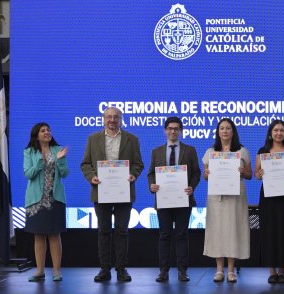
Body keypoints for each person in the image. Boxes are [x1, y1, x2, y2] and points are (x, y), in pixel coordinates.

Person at [81, 106, 144, 283]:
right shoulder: (93, 139)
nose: (112, 120)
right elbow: (85, 164)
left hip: (124, 191)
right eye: (108, 116)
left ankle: (121, 269)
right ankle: (104, 268)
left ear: (121, 119)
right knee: (104, 231)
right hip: (101, 192)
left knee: (122, 231)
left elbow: (138, 164)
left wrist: (133, 174)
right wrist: (92, 177)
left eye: (116, 117)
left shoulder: (132, 139)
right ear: (103, 119)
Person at [148, 116, 201, 283]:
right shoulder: (156, 151)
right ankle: (163, 271)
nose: (173, 131)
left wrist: (192, 186)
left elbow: (196, 172)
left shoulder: (190, 150)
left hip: (183, 200)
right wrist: (152, 185)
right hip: (163, 200)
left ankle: (182, 271)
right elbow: (151, 173)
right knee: (164, 235)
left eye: (176, 129)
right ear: (165, 130)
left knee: (181, 236)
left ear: (181, 131)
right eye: (170, 128)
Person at [202, 118, 252, 283]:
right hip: (217, 198)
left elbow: (250, 175)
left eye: (228, 128)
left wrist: (242, 171)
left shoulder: (242, 151)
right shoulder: (211, 151)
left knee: (233, 231)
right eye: (222, 128)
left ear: (233, 131)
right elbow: (205, 176)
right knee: (217, 231)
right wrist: (206, 174)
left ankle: (231, 271)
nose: (225, 131)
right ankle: (219, 270)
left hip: (235, 197)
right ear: (218, 132)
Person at [255, 119, 284, 284]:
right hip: (268, 197)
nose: (278, 133)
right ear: (270, 133)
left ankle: (282, 271)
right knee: (270, 232)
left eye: (281, 130)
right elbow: (256, 174)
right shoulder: (263, 151)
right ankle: (272, 271)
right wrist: (259, 174)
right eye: (275, 130)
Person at [23, 122, 69, 282]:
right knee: (39, 236)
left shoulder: (58, 150)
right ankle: (40, 271)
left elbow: (65, 173)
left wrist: (60, 160)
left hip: (55, 198)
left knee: (54, 234)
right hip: (36, 200)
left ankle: (57, 271)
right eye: (43, 130)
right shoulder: (29, 152)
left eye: (49, 130)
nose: (47, 132)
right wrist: (40, 162)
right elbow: (28, 174)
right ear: (36, 135)